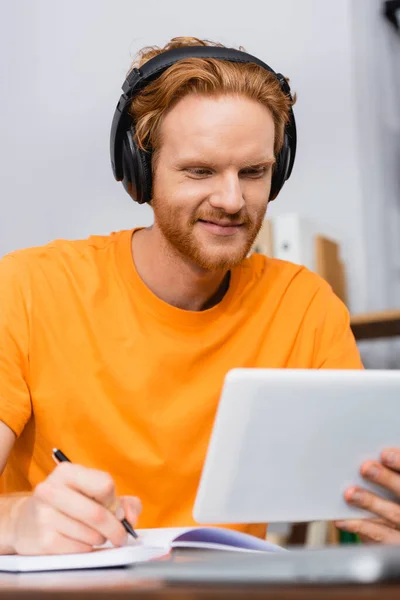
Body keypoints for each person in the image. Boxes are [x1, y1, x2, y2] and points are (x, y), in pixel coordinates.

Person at [0, 36, 399, 556]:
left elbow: (366, 489)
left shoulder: (304, 304)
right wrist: (13, 521)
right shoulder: (29, 287)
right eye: (200, 171)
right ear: (140, 173)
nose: (232, 200)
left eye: (253, 172)